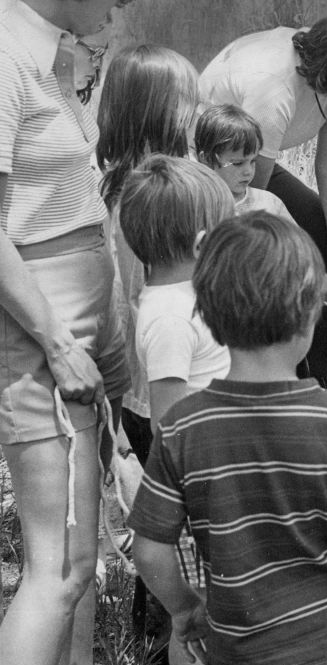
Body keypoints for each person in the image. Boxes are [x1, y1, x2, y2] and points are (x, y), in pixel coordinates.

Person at [128, 211, 327, 665]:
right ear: (309, 314)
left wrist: (186, 609)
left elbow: (150, 550)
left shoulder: (180, 429)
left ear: (209, 316)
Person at [0, 2, 135, 665]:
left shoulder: (57, 46)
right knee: (54, 566)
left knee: (82, 553)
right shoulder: (5, 52)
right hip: (38, 325)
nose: (120, 10)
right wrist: (54, 341)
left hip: (76, 307)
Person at [199, 11, 327, 388]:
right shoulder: (273, 86)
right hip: (212, 170)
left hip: (247, 167)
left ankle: (311, 385)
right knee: (266, 260)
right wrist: (300, 262)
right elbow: (251, 204)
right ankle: (263, 376)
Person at [118, 154, 235, 665]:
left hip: (214, 478)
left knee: (218, 604)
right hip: (194, 491)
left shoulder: (184, 299)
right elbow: (169, 421)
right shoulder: (168, 315)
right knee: (194, 615)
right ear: (200, 242)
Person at [96, 43, 201, 462]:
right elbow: (136, 296)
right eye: (186, 102)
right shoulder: (143, 195)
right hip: (160, 379)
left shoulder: (146, 180)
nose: (196, 110)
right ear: (154, 111)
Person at [195, 104, 292, 219]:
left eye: (253, 161)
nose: (248, 171)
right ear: (206, 159)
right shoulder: (193, 206)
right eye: (237, 163)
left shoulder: (269, 205)